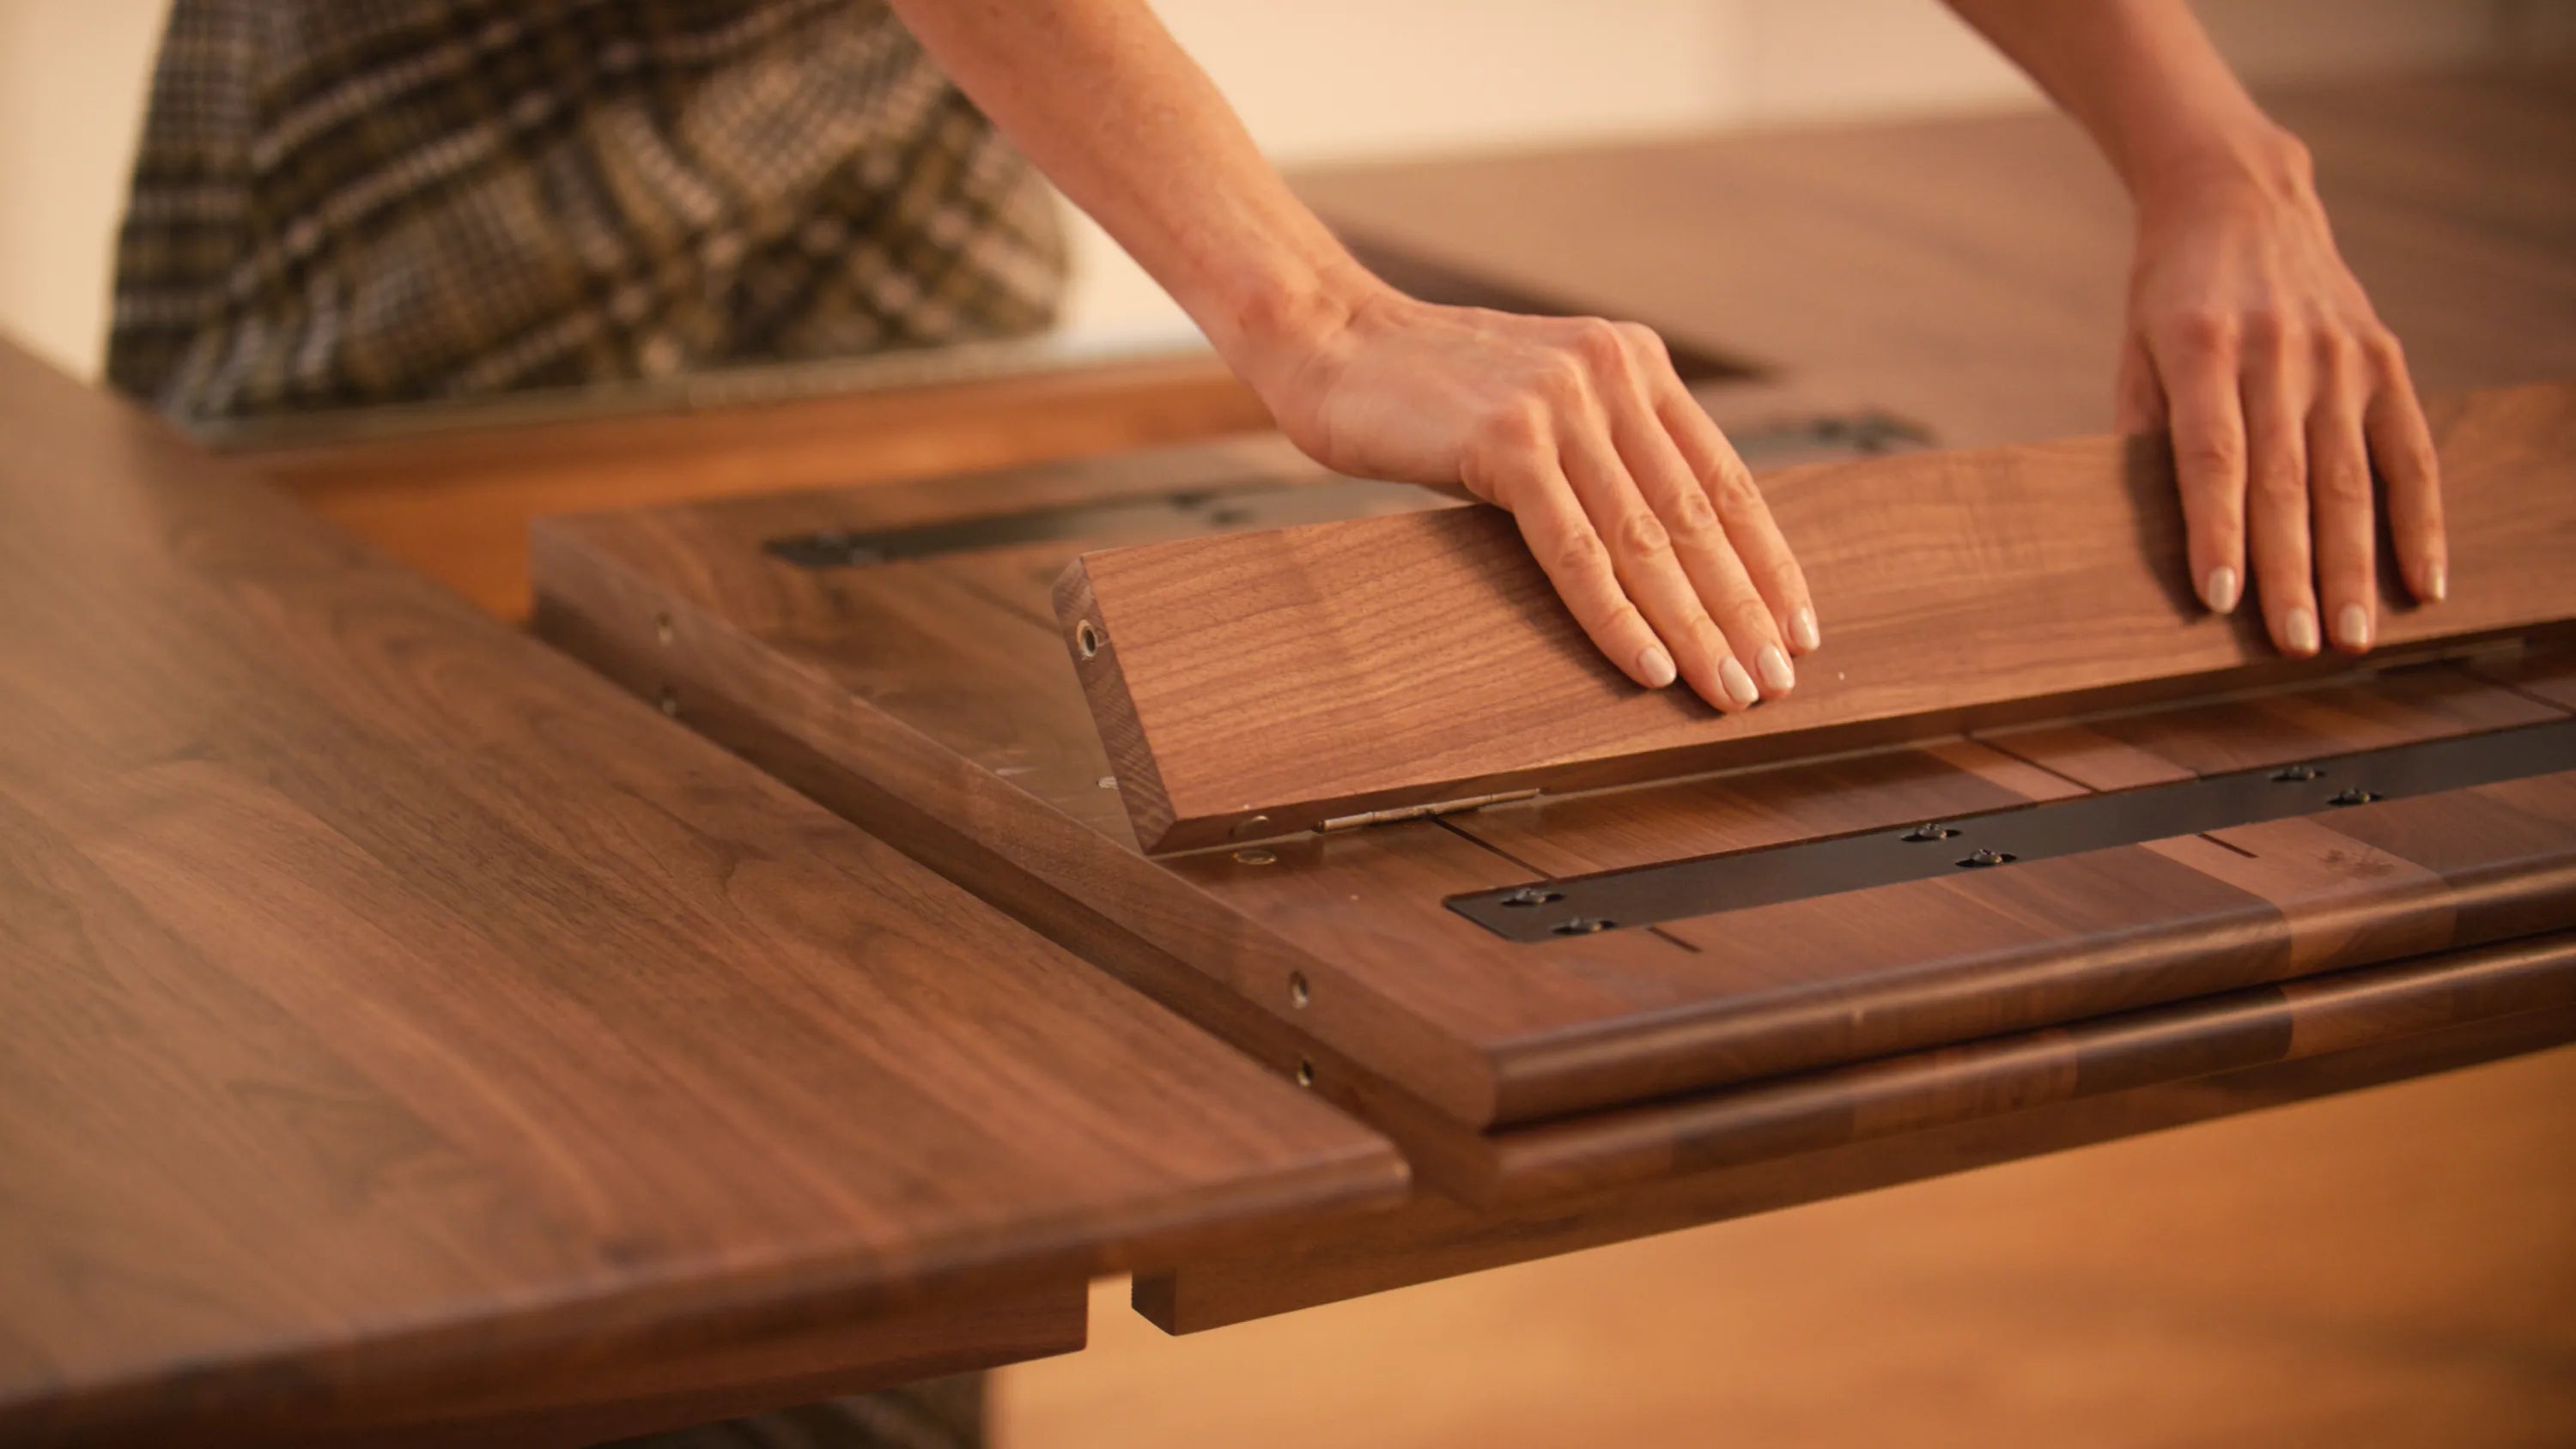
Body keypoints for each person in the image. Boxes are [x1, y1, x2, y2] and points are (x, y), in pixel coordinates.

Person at [101, 3, 2447, 1443]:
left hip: (909, 87)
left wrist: (2215, 154)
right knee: (406, 982)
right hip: (458, 112)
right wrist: (1306, 309)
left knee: (874, 1020)